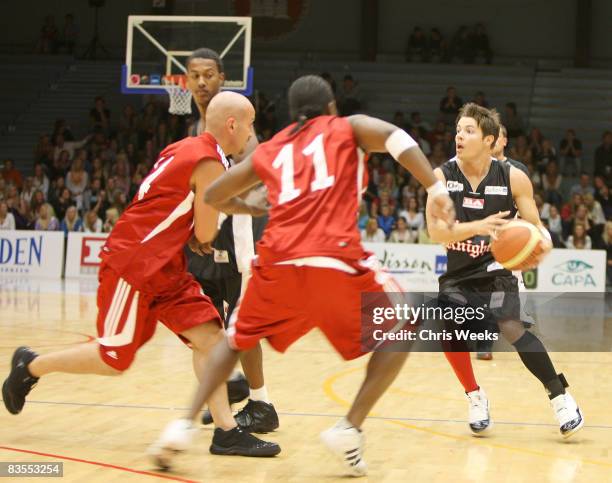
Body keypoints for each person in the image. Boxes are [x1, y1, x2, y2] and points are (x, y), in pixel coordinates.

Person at [150, 75, 455, 476]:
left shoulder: (273, 147)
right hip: (334, 255)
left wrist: (255, 208)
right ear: (330, 108)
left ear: (293, 115)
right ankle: (350, 427)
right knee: (403, 325)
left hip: (277, 261)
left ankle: (182, 425)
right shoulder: (348, 126)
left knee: (235, 338)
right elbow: (397, 138)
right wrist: (434, 188)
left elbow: (213, 195)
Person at [2, 91, 279, 458]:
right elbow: (206, 235)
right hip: (135, 264)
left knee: (212, 339)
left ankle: (226, 432)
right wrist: (239, 211)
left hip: (165, 265)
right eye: (250, 123)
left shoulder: (185, 147)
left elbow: (184, 212)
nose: (251, 131)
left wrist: (200, 226)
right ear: (232, 124)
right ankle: (31, 365)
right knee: (114, 358)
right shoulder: (210, 162)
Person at [427, 102, 584, 439]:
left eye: (469, 131)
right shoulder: (441, 176)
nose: (459, 136)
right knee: (449, 332)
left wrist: (540, 245)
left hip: (497, 268)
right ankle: (475, 397)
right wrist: (479, 226)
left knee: (511, 327)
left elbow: (536, 227)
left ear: (489, 140)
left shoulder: (513, 177)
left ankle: (560, 396)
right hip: (459, 269)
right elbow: (436, 232)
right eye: (458, 130)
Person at [184, 48, 278, 431]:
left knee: (243, 327)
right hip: (204, 242)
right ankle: (232, 385)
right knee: (204, 326)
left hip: (239, 243)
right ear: (185, 82)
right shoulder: (196, 130)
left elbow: (258, 185)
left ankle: (260, 402)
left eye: (209, 75)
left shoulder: (238, 125)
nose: (202, 82)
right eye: (195, 76)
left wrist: (219, 213)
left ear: (223, 78)